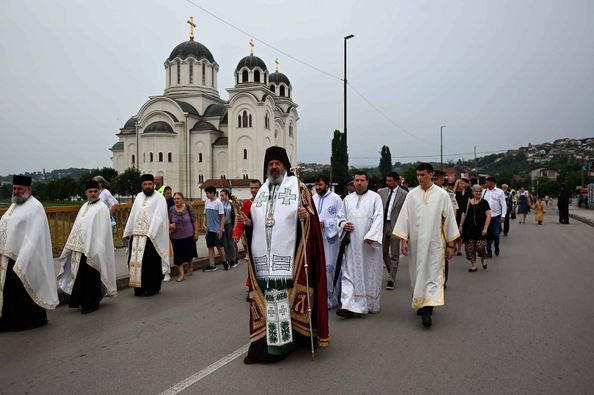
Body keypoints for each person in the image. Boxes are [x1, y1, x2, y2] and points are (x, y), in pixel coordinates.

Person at [239, 146, 329, 364]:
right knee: (267, 302)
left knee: (282, 301)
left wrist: (306, 216)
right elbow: (259, 224)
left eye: (277, 163)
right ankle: (266, 344)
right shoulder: (261, 191)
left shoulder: (298, 188)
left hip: (290, 258)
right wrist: (248, 224)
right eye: (270, 164)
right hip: (264, 260)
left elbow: (312, 223)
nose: (274, 167)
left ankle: (284, 344)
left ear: (285, 165)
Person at [393, 163, 459, 328]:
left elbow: (449, 220)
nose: (420, 178)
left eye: (423, 174)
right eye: (418, 175)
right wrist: (404, 241)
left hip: (434, 244)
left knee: (432, 275)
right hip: (415, 245)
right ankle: (422, 302)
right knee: (416, 274)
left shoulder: (441, 195)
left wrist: (451, 245)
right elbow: (405, 219)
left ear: (431, 175)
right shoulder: (412, 195)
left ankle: (428, 310)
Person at [0, 175, 59, 331]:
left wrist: (24, 257)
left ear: (28, 190)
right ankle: (9, 320)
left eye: (20, 188)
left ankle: (29, 320)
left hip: (25, 257)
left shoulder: (35, 207)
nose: (16, 191)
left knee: (24, 290)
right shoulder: (14, 206)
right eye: (14, 188)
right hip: (9, 256)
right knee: (11, 292)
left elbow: (35, 235)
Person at [58, 180, 117, 314]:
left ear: (99, 192)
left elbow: (102, 232)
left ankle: (91, 303)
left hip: (94, 250)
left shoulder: (102, 208)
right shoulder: (84, 206)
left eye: (95, 191)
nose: (93, 194)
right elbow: (78, 227)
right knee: (81, 276)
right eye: (90, 191)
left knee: (91, 277)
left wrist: (95, 249)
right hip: (81, 249)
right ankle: (81, 301)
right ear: (86, 193)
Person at [336, 171, 384, 318]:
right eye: (356, 180)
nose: (359, 183)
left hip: (369, 246)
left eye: (362, 180)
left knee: (368, 273)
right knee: (349, 273)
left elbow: (379, 218)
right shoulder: (347, 200)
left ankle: (368, 304)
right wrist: (343, 225)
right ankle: (349, 305)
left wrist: (371, 236)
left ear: (367, 182)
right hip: (352, 245)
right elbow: (340, 217)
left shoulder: (375, 198)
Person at [124, 174, 170, 296]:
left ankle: (152, 287)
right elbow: (133, 214)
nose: (148, 186)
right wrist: (129, 231)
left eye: (150, 184)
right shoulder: (139, 197)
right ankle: (138, 288)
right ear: (142, 185)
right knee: (135, 262)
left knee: (151, 263)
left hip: (151, 237)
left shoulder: (159, 198)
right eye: (145, 184)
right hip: (137, 235)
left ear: (154, 185)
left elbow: (159, 217)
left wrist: (151, 233)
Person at [312, 175, 343, 308]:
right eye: (316, 185)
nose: (318, 188)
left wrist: (326, 223)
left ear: (327, 185)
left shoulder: (336, 199)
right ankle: (320, 299)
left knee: (330, 269)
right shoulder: (312, 199)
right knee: (317, 269)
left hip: (331, 240)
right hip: (316, 239)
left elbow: (341, 219)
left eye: (320, 185)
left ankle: (333, 299)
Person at [377, 171, 407, 291]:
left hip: (396, 226)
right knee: (383, 252)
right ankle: (391, 271)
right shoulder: (381, 192)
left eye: (390, 181)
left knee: (394, 254)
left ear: (396, 181)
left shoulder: (404, 194)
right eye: (386, 180)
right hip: (383, 225)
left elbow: (405, 212)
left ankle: (391, 279)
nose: (387, 183)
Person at [432, 170, 457, 288]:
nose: (434, 181)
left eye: (437, 179)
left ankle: (442, 280)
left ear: (442, 180)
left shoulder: (448, 193)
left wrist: (452, 230)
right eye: (433, 179)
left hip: (443, 228)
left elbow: (453, 212)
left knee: (442, 256)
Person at [459, 184, 491, 272]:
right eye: (476, 191)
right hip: (469, 228)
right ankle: (473, 265)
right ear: (473, 192)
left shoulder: (484, 202)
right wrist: (461, 225)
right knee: (470, 248)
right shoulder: (468, 202)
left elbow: (488, 216)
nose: (478, 193)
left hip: (480, 228)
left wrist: (485, 228)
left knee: (480, 246)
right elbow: (464, 214)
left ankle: (483, 258)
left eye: (479, 191)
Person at [169, 192, 198, 282]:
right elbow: (168, 221)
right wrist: (170, 226)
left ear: (182, 199)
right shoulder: (171, 209)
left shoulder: (189, 208)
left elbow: (195, 221)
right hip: (176, 236)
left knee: (189, 253)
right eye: (175, 199)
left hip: (188, 235)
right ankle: (181, 274)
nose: (176, 200)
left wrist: (196, 233)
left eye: (178, 198)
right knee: (178, 256)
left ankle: (190, 265)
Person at [202, 186, 227, 271]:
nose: (207, 195)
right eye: (206, 193)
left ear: (213, 193)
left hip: (217, 230)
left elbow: (222, 217)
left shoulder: (218, 203)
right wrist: (204, 224)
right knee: (210, 247)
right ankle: (212, 265)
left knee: (220, 247)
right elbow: (205, 215)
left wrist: (221, 229)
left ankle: (224, 262)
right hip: (209, 230)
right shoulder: (207, 202)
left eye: (208, 193)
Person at [481, 177, 507, 258]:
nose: (486, 184)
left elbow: (503, 204)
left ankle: (496, 246)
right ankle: (489, 252)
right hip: (486, 217)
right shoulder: (484, 192)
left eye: (487, 182)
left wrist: (503, 215)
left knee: (496, 234)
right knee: (488, 235)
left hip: (496, 216)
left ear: (492, 183)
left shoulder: (500, 192)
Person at [220, 189, 238, 268]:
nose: (221, 197)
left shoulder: (231, 203)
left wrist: (235, 226)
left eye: (223, 195)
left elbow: (236, 215)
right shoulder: (220, 203)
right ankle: (228, 259)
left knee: (231, 243)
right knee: (225, 243)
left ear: (227, 195)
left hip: (230, 224)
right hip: (223, 225)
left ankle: (233, 259)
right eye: (220, 195)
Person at [454, 178, 472, 254]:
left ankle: (459, 249)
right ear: (457, 185)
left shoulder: (467, 193)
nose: (462, 185)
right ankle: (453, 246)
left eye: (463, 183)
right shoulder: (454, 193)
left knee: (460, 232)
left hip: (463, 213)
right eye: (460, 183)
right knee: (454, 231)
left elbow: (470, 201)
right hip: (455, 213)